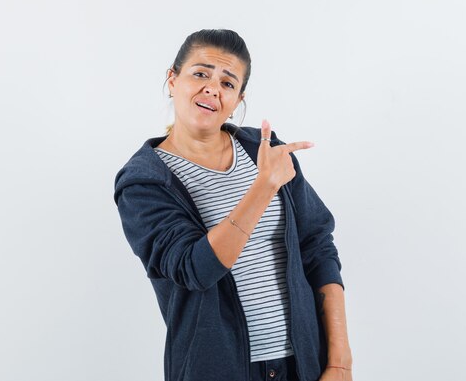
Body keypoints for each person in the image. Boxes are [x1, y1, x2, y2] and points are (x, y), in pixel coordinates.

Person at [113, 29, 352, 381]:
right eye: (200, 74)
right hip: (216, 370)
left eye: (227, 83)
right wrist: (262, 188)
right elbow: (196, 269)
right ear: (172, 80)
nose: (212, 88)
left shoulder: (266, 152)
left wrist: (339, 362)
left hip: (304, 363)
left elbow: (317, 247)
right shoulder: (144, 181)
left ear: (238, 99)